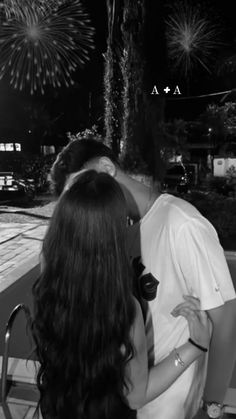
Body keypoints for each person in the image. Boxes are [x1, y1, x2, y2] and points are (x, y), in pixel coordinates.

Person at [50, 138, 236, 419]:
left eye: (80, 187)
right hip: (133, 397)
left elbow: (225, 321)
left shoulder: (182, 224)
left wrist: (212, 404)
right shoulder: (117, 233)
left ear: (106, 167)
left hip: (171, 405)